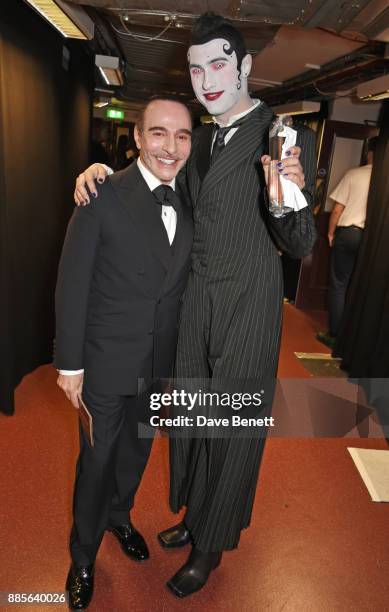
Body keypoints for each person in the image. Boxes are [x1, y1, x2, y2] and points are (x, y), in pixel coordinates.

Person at [73, 12, 316, 599]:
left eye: (219, 65)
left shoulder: (279, 135)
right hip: (194, 305)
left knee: (230, 431)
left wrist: (287, 197)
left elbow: (303, 243)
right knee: (194, 420)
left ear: (245, 67)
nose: (206, 79)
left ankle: (211, 548)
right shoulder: (201, 139)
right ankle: (193, 516)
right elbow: (160, 185)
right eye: (195, 67)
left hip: (248, 306)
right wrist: (104, 171)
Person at [55, 97, 193, 610]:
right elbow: (72, 284)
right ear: (137, 138)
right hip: (105, 363)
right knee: (96, 460)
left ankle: (120, 517)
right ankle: (84, 556)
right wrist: (70, 363)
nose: (169, 146)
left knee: (135, 454)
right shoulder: (101, 192)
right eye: (158, 134)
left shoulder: (192, 196)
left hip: (160, 366)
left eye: (181, 136)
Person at [317, 137, 377, 349]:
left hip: (348, 234)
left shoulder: (354, 174)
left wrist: (331, 233)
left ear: (369, 153)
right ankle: (357, 337)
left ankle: (335, 334)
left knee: (339, 285)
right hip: (372, 240)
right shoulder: (384, 181)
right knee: (362, 286)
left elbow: (337, 209)